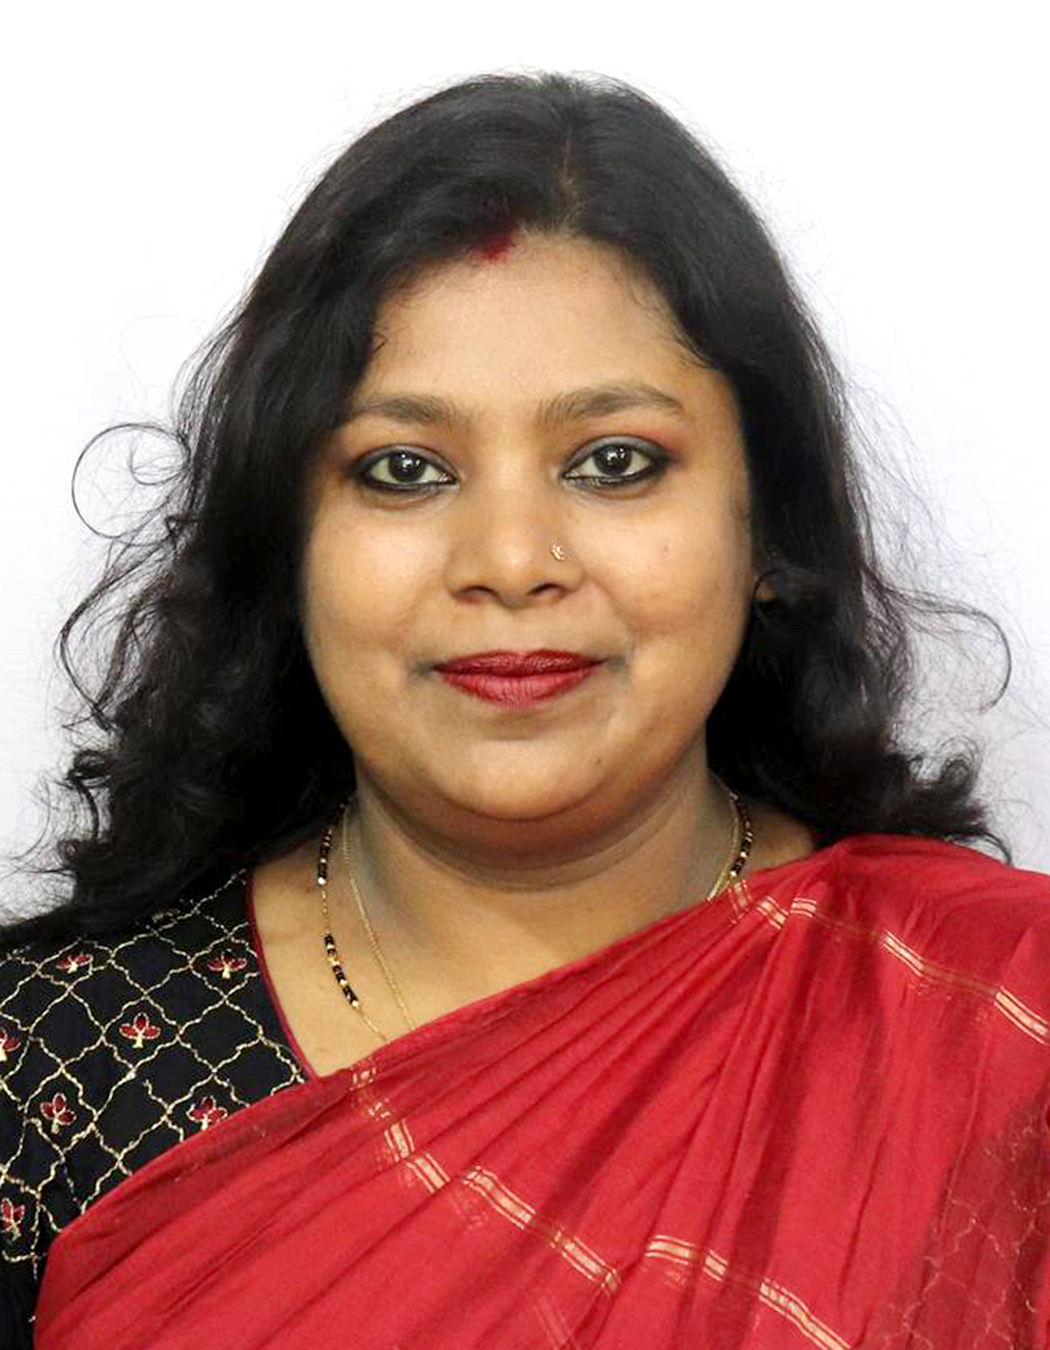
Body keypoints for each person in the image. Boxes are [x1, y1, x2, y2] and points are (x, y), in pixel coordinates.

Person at [1, 69, 1048, 1349]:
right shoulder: (55, 1066)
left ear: (767, 527)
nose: (510, 560)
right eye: (404, 469)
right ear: (287, 541)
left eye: (614, 462)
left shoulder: (992, 1036)